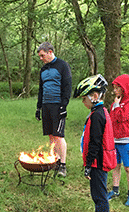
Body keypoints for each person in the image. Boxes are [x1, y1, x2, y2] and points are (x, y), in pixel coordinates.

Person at [73, 74, 117, 212]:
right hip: (96, 161)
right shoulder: (97, 111)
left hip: (98, 162)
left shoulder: (98, 115)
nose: (83, 101)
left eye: (84, 98)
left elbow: (95, 143)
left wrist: (89, 165)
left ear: (95, 96)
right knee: (96, 193)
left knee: (99, 195)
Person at [36, 42, 72, 177]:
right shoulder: (43, 70)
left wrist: (64, 105)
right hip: (46, 105)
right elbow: (41, 89)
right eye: (39, 56)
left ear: (50, 52)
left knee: (58, 135)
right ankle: (55, 161)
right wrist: (38, 107)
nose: (41, 58)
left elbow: (67, 86)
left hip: (58, 105)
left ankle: (63, 165)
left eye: (42, 55)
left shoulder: (62, 66)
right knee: (51, 135)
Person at [107, 74, 129, 207]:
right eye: (114, 88)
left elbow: (122, 117)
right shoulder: (114, 103)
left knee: (128, 168)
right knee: (115, 166)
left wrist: (118, 105)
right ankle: (115, 190)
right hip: (115, 140)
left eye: (117, 88)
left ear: (125, 88)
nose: (115, 91)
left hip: (127, 140)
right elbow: (112, 119)